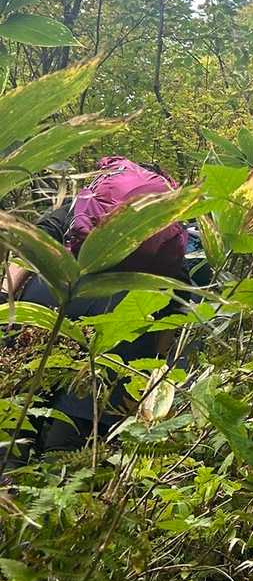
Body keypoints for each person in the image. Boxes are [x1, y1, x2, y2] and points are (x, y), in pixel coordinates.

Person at [7, 158, 191, 456]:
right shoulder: (166, 227)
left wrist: (6, 298)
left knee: (19, 411)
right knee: (71, 439)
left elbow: (32, 248)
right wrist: (151, 369)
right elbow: (175, 302)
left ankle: (11, 471)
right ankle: (59, 467)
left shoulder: (85, 203)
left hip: (53, 298)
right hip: (120, 320)